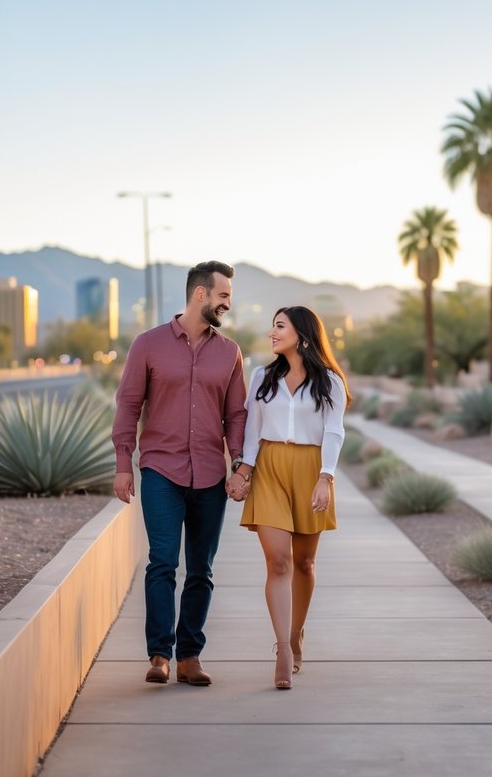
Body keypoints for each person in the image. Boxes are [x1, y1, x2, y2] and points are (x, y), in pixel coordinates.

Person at [112, 260, 248, 687]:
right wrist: (122, 463)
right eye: (223, 295)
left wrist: (240, 465)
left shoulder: (229, 352)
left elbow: (237, 415)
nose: (228, 303)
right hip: (160, 471)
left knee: (202, 569)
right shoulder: (148, 345)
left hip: (210, 473)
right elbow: (128, 405)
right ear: (200, 294)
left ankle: (190, 655)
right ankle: (159, 654)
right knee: (162, 562)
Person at [229, 306, 351, 689]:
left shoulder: (329, 381)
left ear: (301, 334)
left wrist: (325, 478)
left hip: (311, 467)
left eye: (279, 326)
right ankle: (283, 648)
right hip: (270, 468)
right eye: (273, 326)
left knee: (304, 563)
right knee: (278, 561)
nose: (272, 333)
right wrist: (244, 469)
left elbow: (334, 431)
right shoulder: (262, 376)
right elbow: (252, 427)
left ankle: (298, 632)